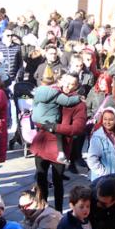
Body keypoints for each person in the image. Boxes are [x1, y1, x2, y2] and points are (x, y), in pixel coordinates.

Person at [29, 72, 87, 211]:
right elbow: (38, 113)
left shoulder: (78, 103)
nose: (67, 86)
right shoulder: (52, 93)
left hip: (60, 146)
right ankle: (42, 208)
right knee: (41, 177)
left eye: (72, 84)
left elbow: (78, 128)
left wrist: (56, 127)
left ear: (76, 86)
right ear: (60, 80)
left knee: (58, 181)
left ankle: (58, 211)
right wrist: (42, 123)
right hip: (43, 142)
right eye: (66, 82)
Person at [86, 107, 115, 181]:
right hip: (104, 178)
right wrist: (104, 173)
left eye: (111, 120)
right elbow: (91, 160)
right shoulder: (98, 137)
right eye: (105, 119)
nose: (107, 122)